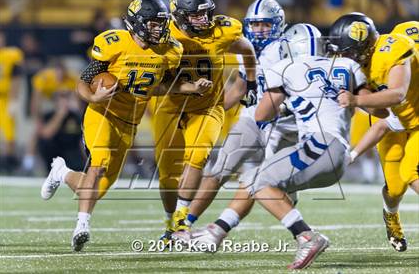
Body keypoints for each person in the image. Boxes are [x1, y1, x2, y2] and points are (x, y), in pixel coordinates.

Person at [173, 23, 388, 270]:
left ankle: (306, 236)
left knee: (259, 182)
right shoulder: (345, 65)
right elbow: (379, 110)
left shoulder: (285, 67)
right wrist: (355, 100)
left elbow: (262, 114)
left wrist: (287, 104)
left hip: (318, 145)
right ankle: (217, 230)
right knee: (257, 179)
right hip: (336, 154)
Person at [40, 0, 211, 252]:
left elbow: (163, 86)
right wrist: (94, 96)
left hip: (130, 120)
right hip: (102, 113)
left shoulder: (169, 50)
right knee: (99, 164)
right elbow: (82, 81)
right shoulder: (115, 43)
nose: (161, 28)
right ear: (138, 23)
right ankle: (82, 226)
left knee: (101, 187)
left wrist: (191, 87)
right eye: (154, 23)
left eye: (162, 23)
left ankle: (62, 173)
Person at [149, 0, 258, 243]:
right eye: (196, 15)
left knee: (198, 156)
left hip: (207, 107)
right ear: (179, 17)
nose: (205, 19)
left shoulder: (222, 31)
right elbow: (156, 85)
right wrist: (188, 87)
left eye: (205, 13)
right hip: (171, 105)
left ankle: (182, 221)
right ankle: (170, 222)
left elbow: (247, 50)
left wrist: (251, 83)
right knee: (167, 175)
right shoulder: (164, 35)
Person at [184, 0, 298, 228]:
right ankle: (182, 224)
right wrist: (207, 111)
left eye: (265, 24)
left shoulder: (287, 49)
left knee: (272, 183)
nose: (259, 29)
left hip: (285, 122)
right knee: (219, 169)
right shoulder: (244, 50)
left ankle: (299, 230)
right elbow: (240, 87)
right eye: (255, 24)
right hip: (253, 117)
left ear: (278, 24)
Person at [332, 17, 419, 252]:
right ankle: (391, 216)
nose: (345, 58)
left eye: (349, 51)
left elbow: (398, 93)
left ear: (366, 45)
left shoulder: (395, 49)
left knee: (411, 172)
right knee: (395, 187)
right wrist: (351, 155)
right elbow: (383, 120)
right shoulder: (359, 69)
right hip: (398, 121)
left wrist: (356, 99)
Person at [0, 31, 24, 173]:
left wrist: (14, 100)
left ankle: (9, 163)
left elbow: (16, 78)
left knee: (9, 132)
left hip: (5, 98)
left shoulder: (11, 55)